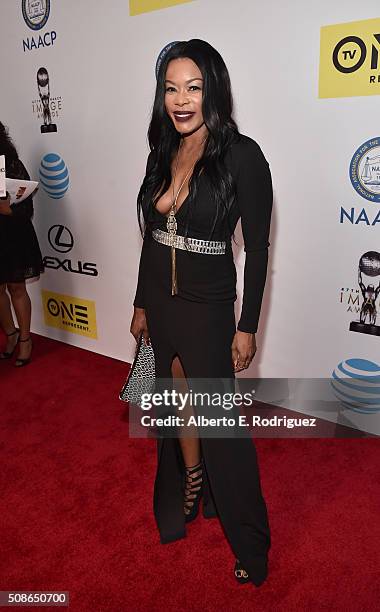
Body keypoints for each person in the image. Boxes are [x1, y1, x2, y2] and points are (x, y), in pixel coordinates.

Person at [130, 40, 273, 587]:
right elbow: (151, 237)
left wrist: (248, 324)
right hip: (162, 307)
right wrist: (141, 300)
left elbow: (257, 249)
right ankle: (192, 480)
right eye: (171, 88)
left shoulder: (242, 155)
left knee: (222, 428)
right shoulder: (161, 148)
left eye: (193, 87)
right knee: (175, 401)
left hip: (210, 307)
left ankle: (251, 544)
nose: (181, 100)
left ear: (213, 89)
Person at [0, 122, 44, 366]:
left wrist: (8, 209)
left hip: (13, 235)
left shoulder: (12, 164)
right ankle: (11, 334)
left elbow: (27, 208)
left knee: (17, 288)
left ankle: (26, 339)